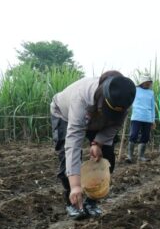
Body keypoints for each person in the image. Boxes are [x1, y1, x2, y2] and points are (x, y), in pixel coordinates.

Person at [50, 71, 136, 220]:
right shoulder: (82, 98)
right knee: (66, 159)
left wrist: (98, 143)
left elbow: (114, 125)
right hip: (64, 114)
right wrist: (76, 185)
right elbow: (73, 143)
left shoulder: (123, 100)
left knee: (106, 157)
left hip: (99, 121)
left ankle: (92, 201)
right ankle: (73, 201)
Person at [127, 74, 156, 162]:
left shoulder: (151, 93)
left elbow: (152, 107)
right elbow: (129, 100)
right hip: (136, 117)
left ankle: (141, 156)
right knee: (133, 135)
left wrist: (153, 120)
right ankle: (129, 156)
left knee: (145, 136)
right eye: (147, 82)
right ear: (142, 82)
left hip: (147, 118)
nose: (148, 84)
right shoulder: (135, 90)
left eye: (149, 82)